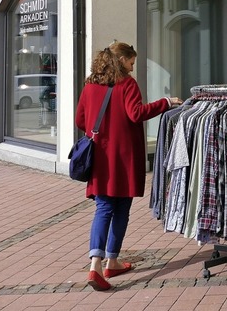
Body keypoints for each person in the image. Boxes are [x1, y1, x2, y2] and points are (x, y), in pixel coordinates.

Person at [75, 41, 182, 291]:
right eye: (131, 63)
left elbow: (81, 119)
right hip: (123, 158)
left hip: (100, 158)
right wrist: (165, 102)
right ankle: (104, 263)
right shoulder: (127, 84)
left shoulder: (90, 86)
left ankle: (102, 263)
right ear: (121, 60)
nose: (132, 69)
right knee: (121, 208)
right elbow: (136, 113)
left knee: (104, 207)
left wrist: (101, 133)